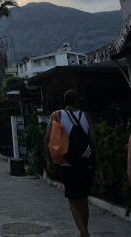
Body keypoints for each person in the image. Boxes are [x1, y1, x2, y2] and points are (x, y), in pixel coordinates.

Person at [45, 90, 103, 237]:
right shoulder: (86, 116)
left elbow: (47, 139)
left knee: (72, 200)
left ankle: (83, 231)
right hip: (86, 163)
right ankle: (84, 231)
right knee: (83, 199)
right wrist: (98, 168)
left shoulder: (57, 115)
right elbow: (94, 142)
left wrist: (49, 159)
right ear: (77, 101)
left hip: (68, 164)